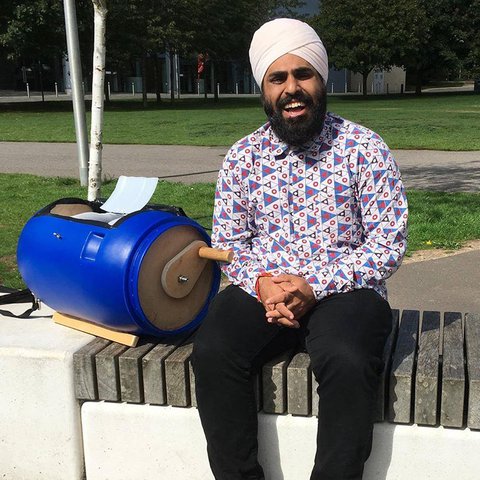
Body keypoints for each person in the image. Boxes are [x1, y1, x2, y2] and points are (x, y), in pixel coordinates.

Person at [192, 17, 408, 480]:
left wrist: (315, 284)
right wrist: (264, 285)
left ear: (321, 79)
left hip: (346, 290)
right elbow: (230, 242)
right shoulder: (242, 157)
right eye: (278, 78)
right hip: (263, 293)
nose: (292, 88)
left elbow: (388, 241)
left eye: (303, 74)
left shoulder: (362, 148)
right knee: (211, 350)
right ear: (264, 89)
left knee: (348, 360)